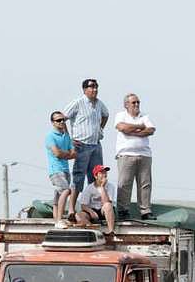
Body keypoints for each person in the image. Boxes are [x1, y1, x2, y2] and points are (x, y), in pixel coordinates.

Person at [63, 79, 110, 207]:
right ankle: (72, 209)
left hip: (95, 144)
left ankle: (92, 207)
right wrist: (68, 139)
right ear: (84, 89)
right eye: (91, 87)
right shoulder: (78, 103)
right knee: (78, 178)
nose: (94, 89)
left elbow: (106, 115)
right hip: (81, 145)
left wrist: (100, 129)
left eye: (96, 87)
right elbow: (62, 118)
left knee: (96, 177)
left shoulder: (99, 104)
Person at [114, 93, 157, 220]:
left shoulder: (145, 116)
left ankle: (145, 210)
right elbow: (122, 128)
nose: (137, 105)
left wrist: (133, 132)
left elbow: (151, 130)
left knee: (145, 184)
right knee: (124, 183)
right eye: (133, 102)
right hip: (126, 154)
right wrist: (140, 127)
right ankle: (123, 211)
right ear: (126, 104)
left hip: (144, 154)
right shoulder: (120, 115)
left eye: (138, 102)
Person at [45, 110, 77, 222]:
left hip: (65, 170)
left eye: (63, 120)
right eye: (58, 120)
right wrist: (67, 154)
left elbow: (74, 154)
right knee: (66, 190)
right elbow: (57, 154)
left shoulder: (66, 136)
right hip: (56, 170)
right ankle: (59, 220)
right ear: (53, 122)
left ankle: (55, 219)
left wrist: (65, 154)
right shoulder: (50, 136)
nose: (62, 122)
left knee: (58, 196)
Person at [75, 165, 117, 234]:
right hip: (92, 210)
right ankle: (93, 231)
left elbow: (106, 202)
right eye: (101, 173)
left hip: (104, 210)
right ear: (96, 176)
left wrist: (102, 187)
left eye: (105, 172)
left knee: (108, 205)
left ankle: (111, 231)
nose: (104, 174)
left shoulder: (110, 186)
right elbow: (83, 205)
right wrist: (91, 211)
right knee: (79, 215)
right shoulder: (89, 188)